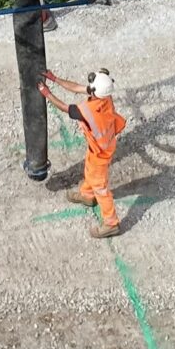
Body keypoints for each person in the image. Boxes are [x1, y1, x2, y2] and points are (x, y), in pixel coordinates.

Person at [40, 68, 126, 239]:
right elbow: (77, 88)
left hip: (100, 154)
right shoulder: (105, 97)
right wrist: (55, 78)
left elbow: (65, 107)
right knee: (89, 172)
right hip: (101, 148)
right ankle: (87, 195)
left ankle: (111, 223)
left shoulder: (87, 110)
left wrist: (46, 93)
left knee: (101, 188)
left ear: (94, 90)